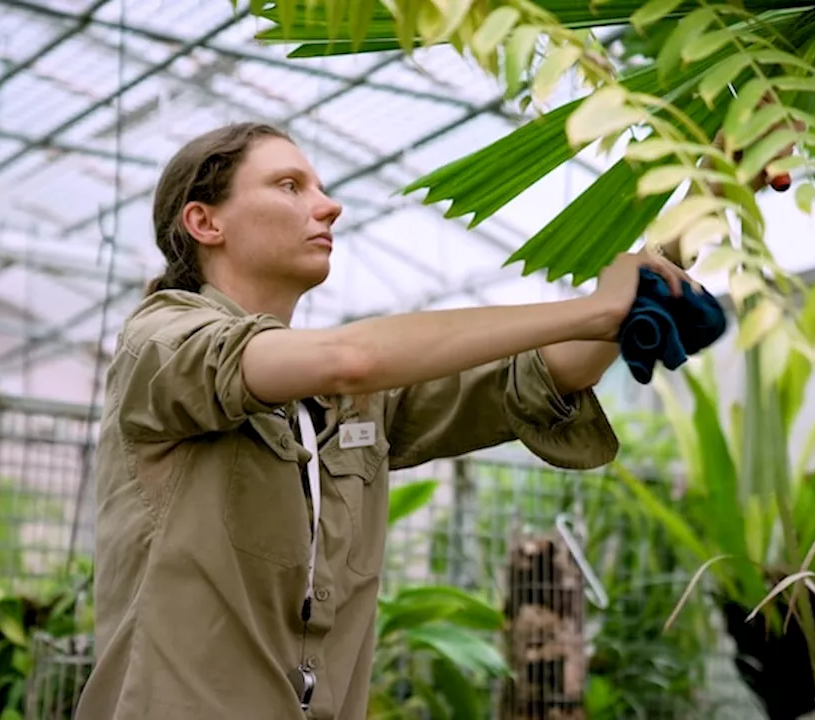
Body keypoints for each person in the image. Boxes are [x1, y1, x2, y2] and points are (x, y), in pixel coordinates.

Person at [74, 122, 701, 720]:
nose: (329, 207)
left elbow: (545, 372)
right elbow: (352, 359)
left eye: (319, 188)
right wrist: (588, 310)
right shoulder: (160, 342)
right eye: (290, 186)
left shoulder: (339, 403)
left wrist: (712, 193)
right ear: (204, 221)